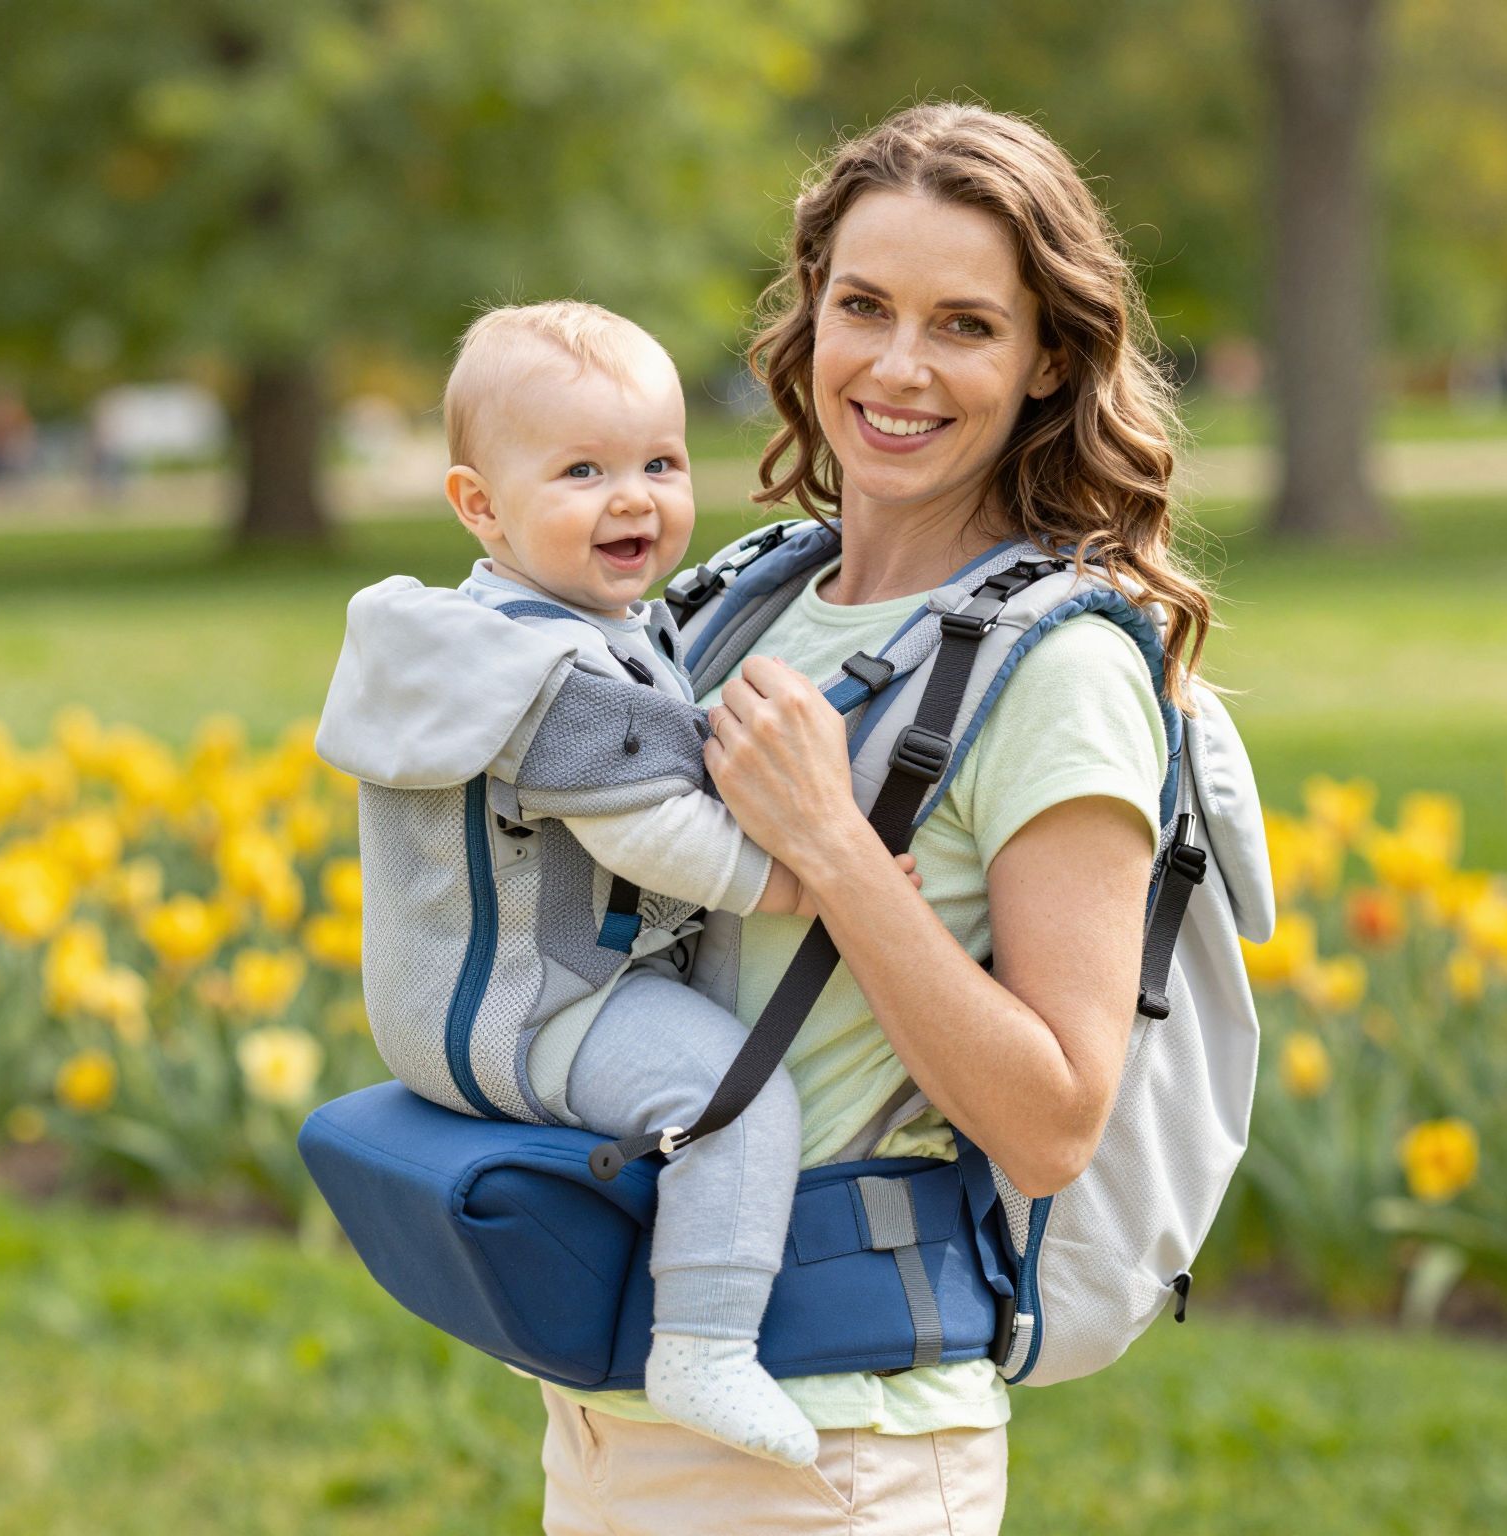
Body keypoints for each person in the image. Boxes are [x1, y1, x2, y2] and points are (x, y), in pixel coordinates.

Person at [533, 102, 1217, 1535]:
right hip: (618, 1408)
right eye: (865, 307)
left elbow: (1050, 1122)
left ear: (1046, 364)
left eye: (966, 325)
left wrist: (837, 849)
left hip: (838, 1448)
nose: (899, 368)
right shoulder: (749, 592)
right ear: (812, 319)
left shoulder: (1065, 670)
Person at [317, 300, 921, 1468]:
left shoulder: (498, 633)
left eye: (659, 461)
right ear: (478, 506)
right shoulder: (545, 676)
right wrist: (805, 881)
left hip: (451, 995)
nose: (633, 496)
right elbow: (652, 835)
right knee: (731, 1098)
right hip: (534, 1006)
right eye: (582, 470)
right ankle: (701, 1343)